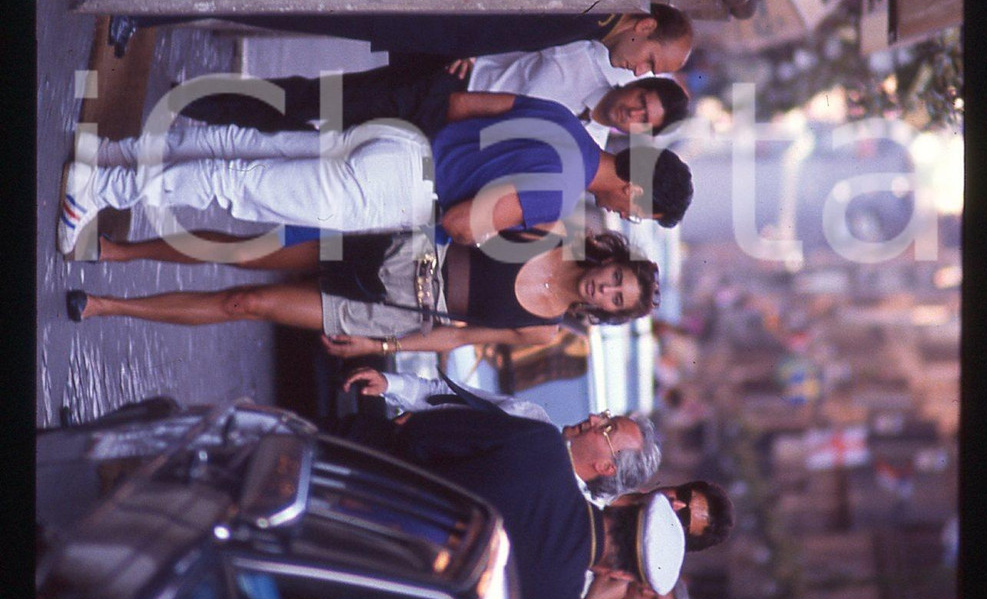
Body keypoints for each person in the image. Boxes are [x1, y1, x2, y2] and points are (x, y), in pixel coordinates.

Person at [57, 92, 695, 259]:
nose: (631, 219)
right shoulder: (561, 191)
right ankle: (98, 189)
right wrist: (525, 231)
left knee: (251, 147)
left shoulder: (566, 124)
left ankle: (110, 155)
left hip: (406, 141)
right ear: (637, 190)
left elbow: (467, 106)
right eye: (643, 213)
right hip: (405, 192)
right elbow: (458, 224)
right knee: (240, 183)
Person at [327, 390, 666, 599]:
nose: (595, 420)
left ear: (623, 502)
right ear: (621, 575)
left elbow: (420, 434)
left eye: (607, 428)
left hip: (343, 487)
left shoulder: (542, 446)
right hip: (356, 592)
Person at [67, 226, 661, 361]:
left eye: (615, 299)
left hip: (390, 312)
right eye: (616, 279)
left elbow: (456, 339)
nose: (606, 289)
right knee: (244, 248)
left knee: (245, 304)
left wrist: (381, 351)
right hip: (395, 248)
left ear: (606, 313)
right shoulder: (549, 234)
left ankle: (107, 306)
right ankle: (123, 251)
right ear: (611, 261)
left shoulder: (543, 329)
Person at [176, 61, 690, 152]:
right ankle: (204, 101)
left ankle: (204, 124)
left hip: (436, 142)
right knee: (317, 99)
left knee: (316, 139)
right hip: (435, 91)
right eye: (642, 101)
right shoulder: (583, 59)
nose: (634, 114)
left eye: (645, 121)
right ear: (637, 86)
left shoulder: (585, 147)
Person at [341, 367, 661, 503]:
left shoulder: (553, 504)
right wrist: (390, 384)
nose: (593, 418)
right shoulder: (533, 417)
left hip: (379, 496)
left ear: (607, 467)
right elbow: (448, 395)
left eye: (606, 428)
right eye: (605, 416)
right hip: (365, 442)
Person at [106, 4, 695, 77]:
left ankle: (153, 12)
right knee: (286, 3)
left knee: (292, 12)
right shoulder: (590, 7)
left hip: (425, 29)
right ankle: (148, 9)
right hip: (422, 9)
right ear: (644, 27)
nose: (639, 70)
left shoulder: (592, 30)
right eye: (650, 61)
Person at [613, 480, 737, 553]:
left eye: (683, 517)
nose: (675, 504)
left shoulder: (603, 569)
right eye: (684, 495)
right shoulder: (606, 474)